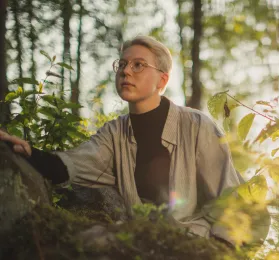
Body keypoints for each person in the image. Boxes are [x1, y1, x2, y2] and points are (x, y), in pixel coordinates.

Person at [0, 35, 245, 247]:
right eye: (123, 64)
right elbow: (70, 165)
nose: (126, 71)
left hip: (199, 245)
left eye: (139, 65)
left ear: (162, 80)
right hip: (145, 246)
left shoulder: (197, 125)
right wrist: (28, 152)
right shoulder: (114, 133)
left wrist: (221, 249)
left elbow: (231, 196)